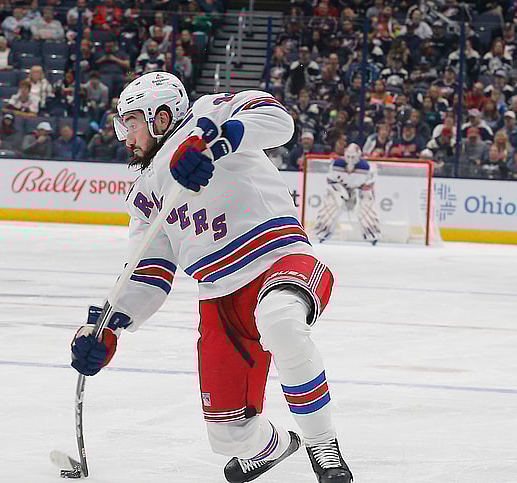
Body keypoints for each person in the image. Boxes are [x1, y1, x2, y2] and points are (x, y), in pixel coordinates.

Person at [69, 71, 353, 483]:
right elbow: (146, 269)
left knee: (281, 321)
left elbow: (279, 122)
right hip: (218, 299)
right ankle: (274, 445)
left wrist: (218, 142)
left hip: (277, 260)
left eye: (131, 123)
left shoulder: (210, 112)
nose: (124, 136)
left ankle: (322, 445)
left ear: (160, 117)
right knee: (230, 436)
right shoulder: (145, 192)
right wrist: (106, 327)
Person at [314, 143, 380, 245]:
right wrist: (341, 191)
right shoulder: (336, 165)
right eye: (348, 156)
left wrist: (356, 193)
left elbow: (368, 187)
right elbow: (330, 182)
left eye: (353, 157)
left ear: (358, 156)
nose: (350, 159)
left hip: (359, 194)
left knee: (366, 207)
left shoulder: (366, 168)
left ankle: (372, 235)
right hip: (339, 192)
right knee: (330, 204)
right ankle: (322, 232)